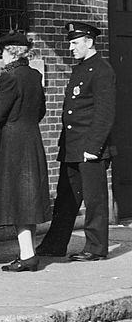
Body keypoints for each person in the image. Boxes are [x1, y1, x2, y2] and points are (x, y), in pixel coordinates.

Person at [37, 21, 117, 261]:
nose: (70, 47)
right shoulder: (80, 68)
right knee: (66, 198)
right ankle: (55, 244)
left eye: (74, 42)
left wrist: (94, 147)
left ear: (89, 42)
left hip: (89, 147)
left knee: (94, 200)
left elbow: (104, 113)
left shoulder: (102, 70)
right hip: (72, 146)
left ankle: (95, 248)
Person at [0, 31, 51, 272]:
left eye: (2, 52)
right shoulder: (35, 75)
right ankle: (28, 252)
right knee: (28, 197)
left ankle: (27, 255)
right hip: (32, 137)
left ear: (11, 52)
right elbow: (41, 111)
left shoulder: (9, 78)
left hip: (13, 142)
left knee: (18, 198)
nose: (0, 57)